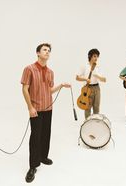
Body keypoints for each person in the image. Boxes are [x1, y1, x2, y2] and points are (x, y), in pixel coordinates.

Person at [21, 43, 71, 183]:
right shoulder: (29, 69)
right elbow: (25, 89)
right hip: (35, 109)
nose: (47, 52)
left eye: (49, 50)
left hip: (48, 108)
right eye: (44, 50)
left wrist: (60, 85)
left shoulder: (50, 72)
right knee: (35, 137)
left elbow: (49, 90)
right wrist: (30, 107)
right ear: (37, 52)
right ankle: (33, 166)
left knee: (45, 134)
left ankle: (43, 156)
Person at [76, 48, 106, 119]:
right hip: (87, 88)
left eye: (97, 56)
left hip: (97, 88)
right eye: (94, 56)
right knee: (87, 107)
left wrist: (97, 76)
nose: (96, 58)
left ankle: (95, 123)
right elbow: (77, 78)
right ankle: (87, 123)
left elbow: (104, 80)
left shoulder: (98, 67)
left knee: (96, 107)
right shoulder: (84, 66)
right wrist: (85, 79)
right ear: (90, 56)